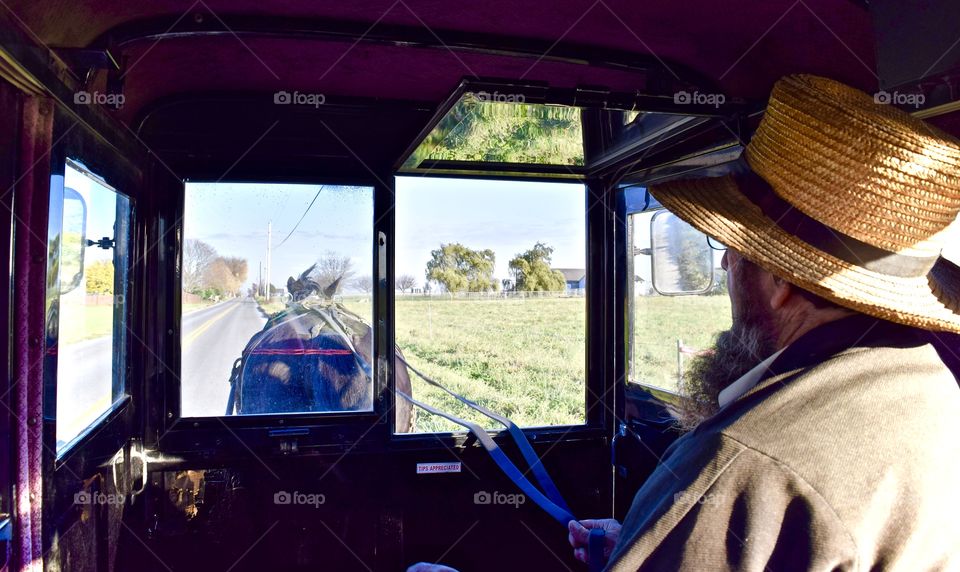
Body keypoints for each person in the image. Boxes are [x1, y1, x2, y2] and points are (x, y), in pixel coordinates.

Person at [412, 75, 960, 571]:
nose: (725, 264)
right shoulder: (934, 384)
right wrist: (647, 541)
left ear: (780, 275)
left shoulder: (742, 462)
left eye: (734, 248)